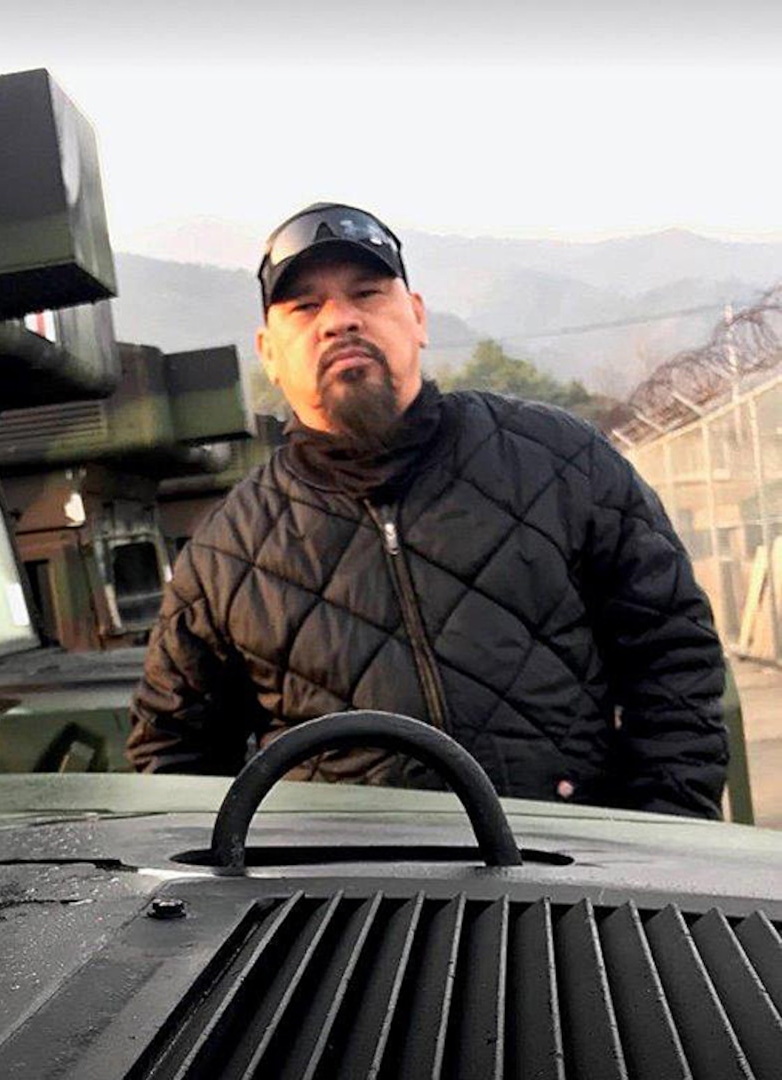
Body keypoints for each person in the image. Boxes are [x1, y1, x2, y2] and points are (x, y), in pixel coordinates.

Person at [127, 202, 728, 818]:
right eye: (305, 307)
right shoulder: (226, 553)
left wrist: (660, 838)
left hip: (571, 876)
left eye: (367, 292)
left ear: (416, 317)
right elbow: (173, 755)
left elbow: (673, 653)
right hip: (353, 902)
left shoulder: (562, 461)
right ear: (269, 353)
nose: (339, 320)